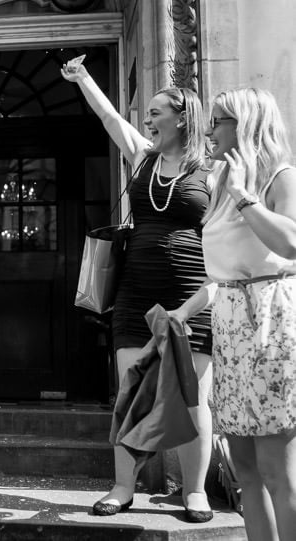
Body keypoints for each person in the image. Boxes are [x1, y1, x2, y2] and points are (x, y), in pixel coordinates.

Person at [60, 61, 214, 521]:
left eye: (155, 112)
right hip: (135, 291)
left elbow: (227, 237)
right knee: (130, 392)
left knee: (192, 395)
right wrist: (84, 80)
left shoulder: (214, 171)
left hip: (191, 292)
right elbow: (110, 119)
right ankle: (122, 487)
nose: (147, 120)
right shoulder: (143, 156)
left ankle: (195, 492)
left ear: (182, 117)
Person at [170, 88, 296, 540]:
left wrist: (247, 197)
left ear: (245, 125)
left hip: (271, 323)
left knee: (277, 468)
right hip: (231, 326)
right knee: (244, 468)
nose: (209, 128)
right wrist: (181, 313)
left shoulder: (279, 176)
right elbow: (220, 275)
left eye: (220, 120)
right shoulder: (217, 181)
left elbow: (291, 244)